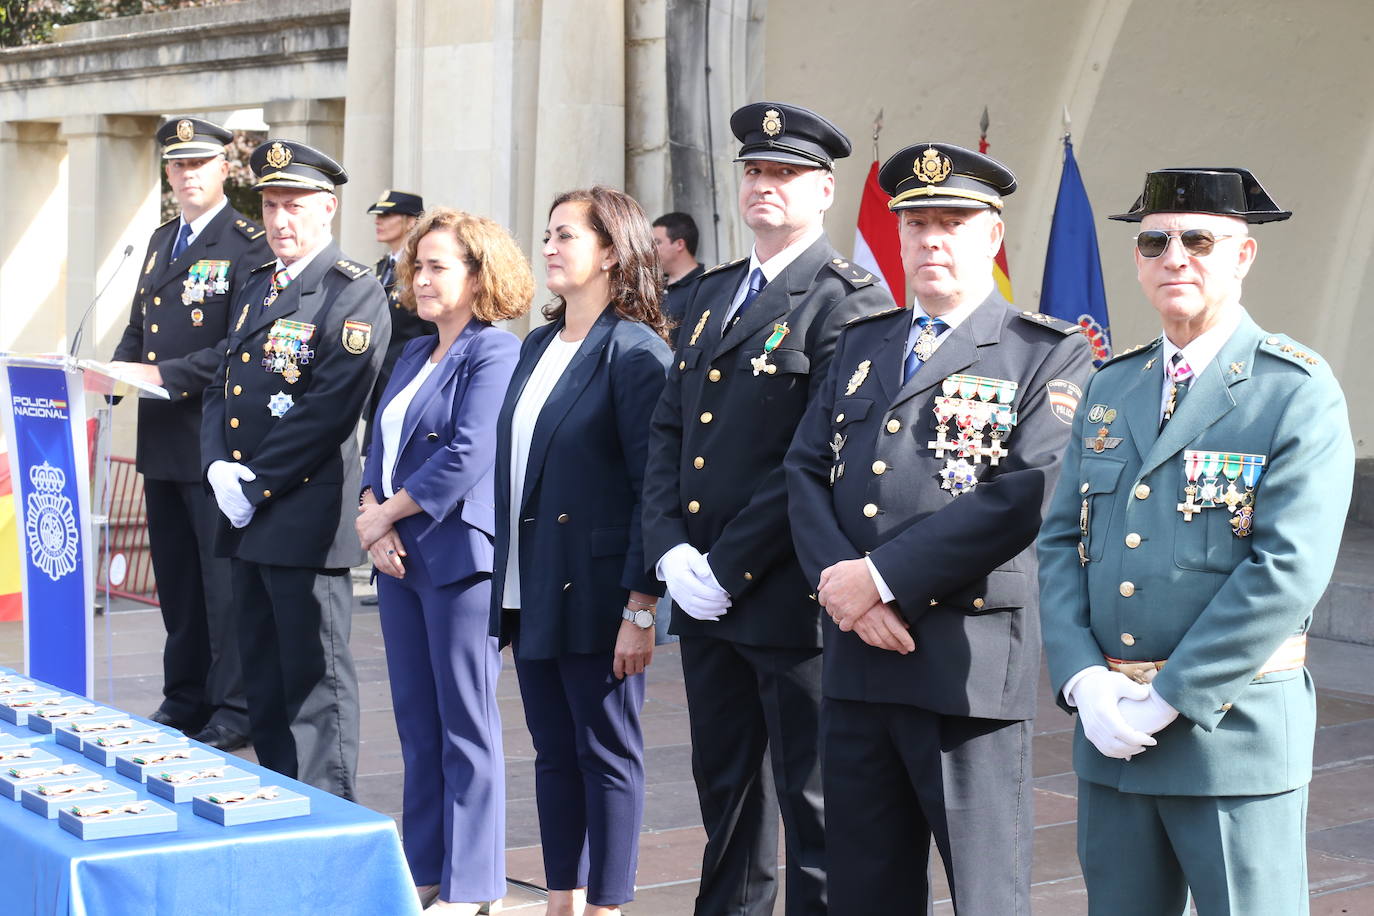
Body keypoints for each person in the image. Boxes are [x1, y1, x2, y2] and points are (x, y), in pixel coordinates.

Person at [784, 141, 1093, 914]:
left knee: (984, 895)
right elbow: (802, 472)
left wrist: (881, 580)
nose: (930, 240)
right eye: (916, 223)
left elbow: (1025, 494)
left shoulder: (1046, 354)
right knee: (862, 890)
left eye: (952, 221)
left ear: (992, 237)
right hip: (857, 663)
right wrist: (845, 591)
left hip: (965, 669)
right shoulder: (863, 344)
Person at [1039, 168, 1354, 915]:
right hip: (1113, 736)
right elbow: (1060, 543)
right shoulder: (1111, 386)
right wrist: (1085, 680)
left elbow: (1287, 570)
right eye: (1155, 240)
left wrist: (1170, 698)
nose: (1174, 256)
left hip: (1230, 740)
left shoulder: (1294, 389)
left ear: (1243, 256)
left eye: (1198, 239)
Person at [640, 102, 888, 916]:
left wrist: (727, 563)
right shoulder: (711, 295)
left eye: (784, 173)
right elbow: (671, 430)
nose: (764, 186)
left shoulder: (844, 299)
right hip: (706, 596)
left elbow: (814, 462)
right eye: (754, 171)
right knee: (727, 800)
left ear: (823, 192)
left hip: (785, 599)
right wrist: (670, 549)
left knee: (812, 806)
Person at [490, 186, 670, 916]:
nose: (551, 247)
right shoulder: (537, 344)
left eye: (568, 235)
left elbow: (650, 490)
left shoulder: (637, 353)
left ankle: (607, 904)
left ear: (612, 251)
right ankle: (562, 896)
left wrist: (641, 606)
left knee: (607, 755)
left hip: (599, 593)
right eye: (548, 233)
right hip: (532, 586)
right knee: (553, 753)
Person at [201, 139, 390, 799]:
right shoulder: (257, 285)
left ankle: (330, 823)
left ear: (328, 209)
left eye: (294, 206)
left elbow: (329, 408)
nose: (281, 219)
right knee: (266, 680)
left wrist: (254, 481)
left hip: (304, 518)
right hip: (247, 517)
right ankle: (283, 805)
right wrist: (215, 467)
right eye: (272, 205)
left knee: (315, 687)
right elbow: (220, 384)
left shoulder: (352, 292)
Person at [358, 207, 531, 913]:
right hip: (399, 561)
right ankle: (425, 871)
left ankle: (473, 884)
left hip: (459, 559)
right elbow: (379, 442)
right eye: (417, 266)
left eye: (437, 266)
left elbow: (468, 452)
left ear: (477, 274)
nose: (420, 278)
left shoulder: (495, 351)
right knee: (416, 724)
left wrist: (385, 513)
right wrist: (373, 518)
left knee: (466, 724)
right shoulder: (411, 352)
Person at [108, 115, 265, 751]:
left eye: (198, 164)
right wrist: (107, 374)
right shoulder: (159, 239)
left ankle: (234, 707)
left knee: (220, 585)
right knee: (175, 582)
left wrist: (160, 373)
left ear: (224, 167)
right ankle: (185, 697)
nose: (186, 175)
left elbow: (240, 346)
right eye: (176, 166)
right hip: (160, 440)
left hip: (213, 440)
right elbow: (140, 326)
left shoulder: (247, 241)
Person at [362, 189, 436, 456]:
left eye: (388, 214)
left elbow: (432, 329)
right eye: (377, 214)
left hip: (408, 383)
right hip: (381, 385)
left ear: (412, 222)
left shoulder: (418, 271)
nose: (378, 220)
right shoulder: (384, 266)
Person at [651, 211, 703, 346]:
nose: (651, 249)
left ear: (679, 244)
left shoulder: (705, 286)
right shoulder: (653, 286)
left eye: (657, 242)